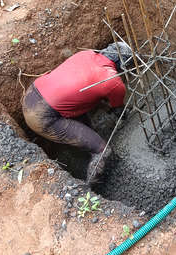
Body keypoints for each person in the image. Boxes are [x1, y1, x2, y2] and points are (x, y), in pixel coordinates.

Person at [22, 42, 133, 186]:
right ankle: (90, 189)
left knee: (87, 103)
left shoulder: (85, 53)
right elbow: (118, 108)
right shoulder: (112, 80)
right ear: (121, 65)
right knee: (103, 151)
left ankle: (87, 139)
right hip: (42, 116)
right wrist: (123, 114)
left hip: (32, 94)